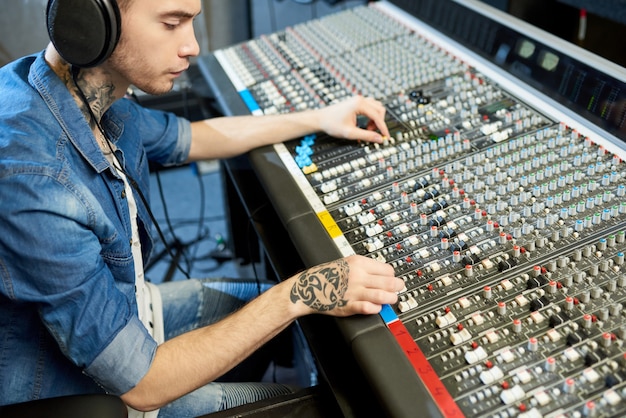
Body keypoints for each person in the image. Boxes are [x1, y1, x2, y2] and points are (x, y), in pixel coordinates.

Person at [0, 0, 403, 416]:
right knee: (306, 400)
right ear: (91, 21)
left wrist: (319, 118)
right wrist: (301, 292)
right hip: (88, 391)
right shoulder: (31, 179)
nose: (191, 46)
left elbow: (195, 137)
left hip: (135, 313)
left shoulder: (87, 93)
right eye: (172, 23)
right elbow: (144, 383)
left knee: (298, 325)